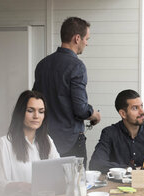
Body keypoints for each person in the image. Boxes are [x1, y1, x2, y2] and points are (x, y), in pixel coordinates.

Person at [33, 17, 101, 166]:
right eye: (86, 39)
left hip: (44, 140)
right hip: (70, 142)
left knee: (48, 185)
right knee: (76, 186)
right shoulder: (77, 66)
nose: (87, 43)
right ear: (77, 38)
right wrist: (94, 114)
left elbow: (35, 101)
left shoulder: (42, 65)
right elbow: (81, 109)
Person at [90, 90, 144, 175]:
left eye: (142, 106)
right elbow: (96, 164)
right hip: (119, 188)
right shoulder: (109, 133)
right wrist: (131, 170)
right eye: (135, 108)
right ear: (123, 114)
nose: (142, 112)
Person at [0, 90, 59, 194]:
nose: (36, 116)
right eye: (30, 110)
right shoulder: (5, 143)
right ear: (20, 113)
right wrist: (20, 186)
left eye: (41, 112)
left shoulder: (47, 140)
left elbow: (59, 170)